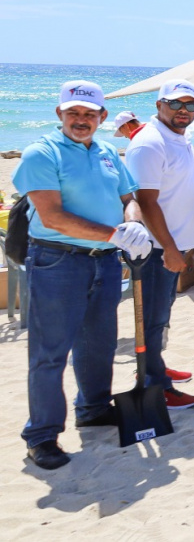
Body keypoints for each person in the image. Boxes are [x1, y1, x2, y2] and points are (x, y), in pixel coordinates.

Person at [15, 80, 152, 470]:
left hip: (106, 261)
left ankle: (92, 408)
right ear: (59, 114)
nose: (81, 120)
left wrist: (133, 225)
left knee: (99, 343)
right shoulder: (42, 152)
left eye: (89, 114)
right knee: (49, 353)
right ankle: (41, 435)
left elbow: (129, 198)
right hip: (58, 262)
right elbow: (51, 216)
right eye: (73, 113)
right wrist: (115, 234)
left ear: (102, 117)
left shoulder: (108, 151)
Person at [125, 79, 194, 410]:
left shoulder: (179, 138)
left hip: (174, 245)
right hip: (157, 249)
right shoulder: (149, 143)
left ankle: (155, 366)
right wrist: (171, 248)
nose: (183, 111)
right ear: (159, 105)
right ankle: (154, 383)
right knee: (153, 317)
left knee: (162, 313)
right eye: (175, 104)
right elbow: (145, 201)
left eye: (190, 105)